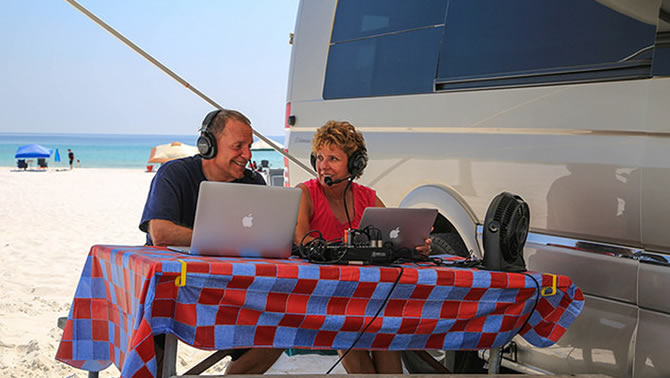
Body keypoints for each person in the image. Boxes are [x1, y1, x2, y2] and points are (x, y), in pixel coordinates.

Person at [226, 121, 431, 374]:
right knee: (352, 331)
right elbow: (302, 239)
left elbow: (392, 237)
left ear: (354, 164)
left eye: (333, 158)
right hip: (322, 297)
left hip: (367, 295)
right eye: (320, 157)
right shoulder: (305, 193)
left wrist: (413, 247)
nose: (323, 165)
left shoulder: (367, 197)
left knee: (384, 336)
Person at [139, 109, 266, 374]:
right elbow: (160, 232)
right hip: (175, 292)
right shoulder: (173, 174)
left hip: (236, 293)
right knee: (151, 328)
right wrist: (226, 236)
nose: (247, 155)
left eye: (250, 146)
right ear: (207, 146)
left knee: (280, 325)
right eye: (238, 146)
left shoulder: (255, 183)